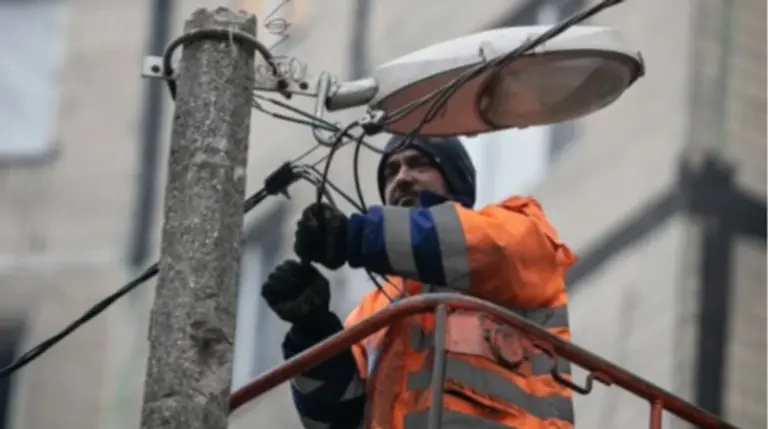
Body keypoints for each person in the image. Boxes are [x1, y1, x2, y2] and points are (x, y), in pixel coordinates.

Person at [261, 134, 577, 429]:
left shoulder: (520, 231)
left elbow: (473, 244)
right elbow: (336, 421)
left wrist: (355, 236)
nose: (402, 178)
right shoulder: (373, 312)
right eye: (391, 172)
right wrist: (313, 330)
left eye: (419, 164)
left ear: (455, 180)